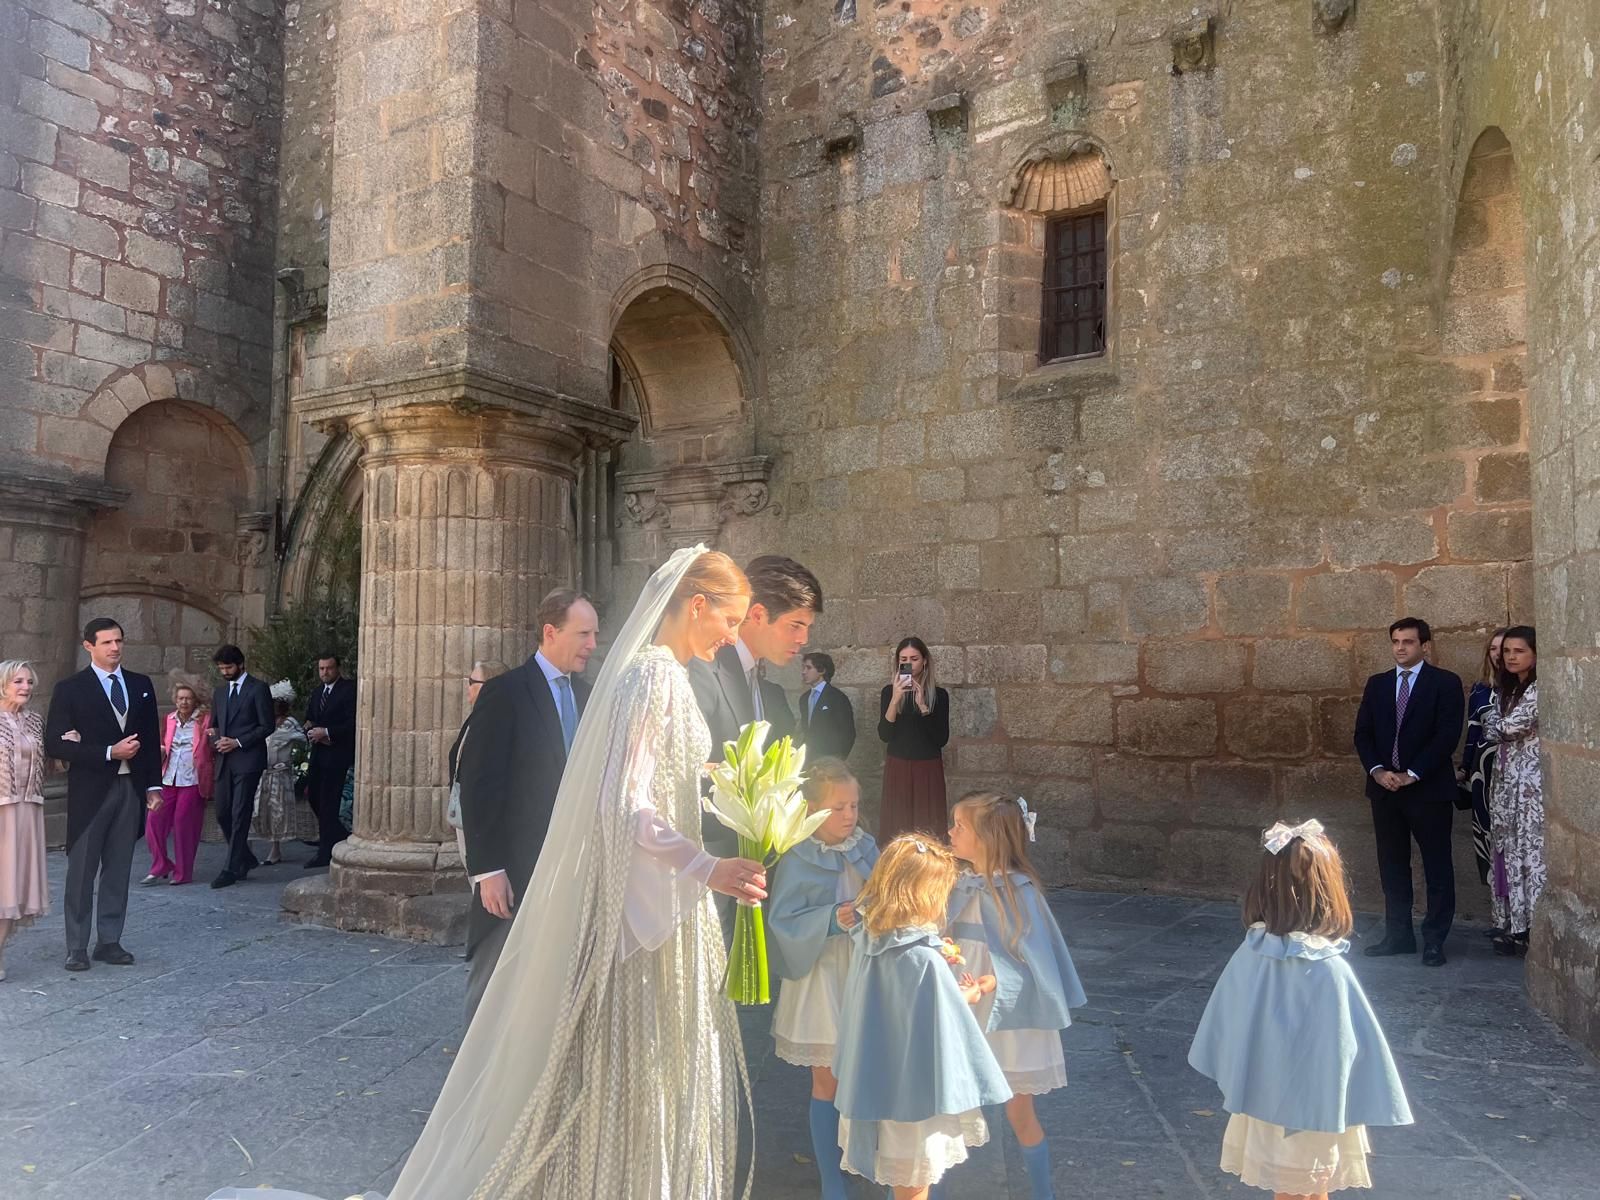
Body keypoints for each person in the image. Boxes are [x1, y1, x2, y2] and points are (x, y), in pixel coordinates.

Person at [1189, 820, 1414, 1198]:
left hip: (1264, 1093)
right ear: (1330, 890)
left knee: (1304, 1188)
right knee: (1302, 1187)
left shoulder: (1253, 952)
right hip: (1317, 1103)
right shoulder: (1326, 967)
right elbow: (1347, 1045)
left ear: (1264, 887)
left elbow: (1230, 1024)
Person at [833, 834, 1012, 1199]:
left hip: (876, 1083)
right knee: (914, 1187)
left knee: (903, 1182)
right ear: (924, 896)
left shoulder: (869, 942)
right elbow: (942, 1020)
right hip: (915, 1095)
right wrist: (968, 994)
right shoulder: (923, 958)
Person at [458, 591, 598, 1025]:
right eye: (584, 633)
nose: (593, 644)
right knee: (494, 986)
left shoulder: (590, 695)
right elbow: (478, 785)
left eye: (595, 633)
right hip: (514, 871)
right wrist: (488, 870)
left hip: (571, 872)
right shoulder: (506, 692)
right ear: (550, 632)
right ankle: (475, 1083)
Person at [946, 791, 1086, 1200]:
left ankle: (1042, 1193)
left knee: (1019, 1109)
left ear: (988, 839)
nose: (950, 832)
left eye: (960, 826)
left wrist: (992, 984)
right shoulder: (955, 885)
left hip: (1011, 1021)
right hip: (961, 1007)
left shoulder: (1022, 894)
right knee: (944, 1106)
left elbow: (1037, 968)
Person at [767, 757, 880, 1200]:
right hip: (819, 975)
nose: (849, 816)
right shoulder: (798, 856)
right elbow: (784, 920)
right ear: (812, 810)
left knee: (866, 1072)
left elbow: (887, 891)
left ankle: (868, 1160)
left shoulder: (865, 847)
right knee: (826, 1080)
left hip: (863, 971)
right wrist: (833, 918)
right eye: (838, 808)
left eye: (853, 805)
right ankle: (831, 1179)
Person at [44, 618, 163, 971]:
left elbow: (151, 740)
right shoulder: (71, 689)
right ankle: (76, 946)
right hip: (90, 791)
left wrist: (153, 786)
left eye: (119, 641)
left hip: (130, 789)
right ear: (88, 646)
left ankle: (109, 941)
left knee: (119, 867)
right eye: (107, 642)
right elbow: (55, 744)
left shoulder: (141, 685)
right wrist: (109, 752)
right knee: (81, 870)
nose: (115, 648)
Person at [1352, 617, 1463, 967]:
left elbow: (1447, 735)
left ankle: (1434, 939)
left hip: (1427, 790)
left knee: (1437, 866)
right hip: (1385, 790)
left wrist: (1413, 774)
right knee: (1392, 865)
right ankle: (1398, 935)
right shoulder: (1378, 684)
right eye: (1396, 641)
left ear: (1425, 645)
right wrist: (1379, 771)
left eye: (1409, 642)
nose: (1401, 648)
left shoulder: (1444, 683)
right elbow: (1363, 733)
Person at [1484, 625, 1541, 958]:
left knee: (1529, 852)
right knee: (1505, 850)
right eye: (1506, 651)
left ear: (1535, 654)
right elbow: (1494, 725)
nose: (1510, 657)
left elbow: (1505, 727)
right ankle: (1511, 923)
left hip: (1529, 787)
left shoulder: (1537, 689)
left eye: (1519, 651)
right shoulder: (1506, 691)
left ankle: (1530, 926)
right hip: (1505, 782)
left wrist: (1497, 725)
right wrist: (1497, 725)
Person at [209, 644, 274, 889]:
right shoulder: (219, 692)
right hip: (224, 760)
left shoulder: (258, 689)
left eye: (229, 667)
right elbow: (213, 726)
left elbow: (267, 725)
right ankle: (245, 857)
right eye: (222, 668)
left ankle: (231, 868)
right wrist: (216, 741)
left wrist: (237, 742)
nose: (225, 672)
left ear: (241, 665)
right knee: (222, 812)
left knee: (240, 813)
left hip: (248, 759)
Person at [0, 661, 50, 982]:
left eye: (30, 681)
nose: (26, 687)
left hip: (28, 809)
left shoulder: (34, 721)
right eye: (18, 681)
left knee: (12, 885)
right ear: (3, 684)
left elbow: (49, 764)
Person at [877, 637, 951, 842]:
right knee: (897, 824)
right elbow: (884, 735)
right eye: (903, 659)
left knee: (927, 824)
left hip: (927, 768)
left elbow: (940, 738)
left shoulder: (939, 695)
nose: (908, 663)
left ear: (925, 661)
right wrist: (895, 700)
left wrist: (923, 707)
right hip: (898, 766)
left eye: (914, 658)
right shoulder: (888, 693)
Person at [143, 681, 213, 886]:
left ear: (195, 701)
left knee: (184, 825)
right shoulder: (169, 719)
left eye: (188, 698)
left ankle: (183, 872)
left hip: (192, 779)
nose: (184, 702)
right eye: (180, 698)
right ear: (175, 699)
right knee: (153, 822)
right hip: (168, 778)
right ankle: (161, 864)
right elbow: (164, 743)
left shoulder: (203, 721)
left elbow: (209, 745)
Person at [446, 659, 508, 874]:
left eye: (472, 681)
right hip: (468, 815)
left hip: (482, 822)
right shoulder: (478, 718)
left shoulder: (496, 723)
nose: (468, 687)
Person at [1458, 628, 1507, 890]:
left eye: (1505, 648)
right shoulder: (1480, 689)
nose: (1499, 654)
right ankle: (1500, 916)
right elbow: (1472, 732)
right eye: (1493, 648)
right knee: (1487, 837)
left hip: (1514, 774)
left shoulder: (1528, 688)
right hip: (1482, 776)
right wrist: (1464, 768)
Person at [303, 653, 356, 868]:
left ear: (338, 668)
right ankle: (338, 836)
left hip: (337, 754)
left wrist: (326, 732)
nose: (325, 673)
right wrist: (309, 728)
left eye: (329, 668)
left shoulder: (348, 689)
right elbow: (311, 716)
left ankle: (326, 851)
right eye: (321, 669)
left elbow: (353, 722)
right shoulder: (317, 692)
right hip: (319, 754)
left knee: (329, 803)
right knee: (314, 797)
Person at [254, 683, 307, 866]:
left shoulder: (289, 724)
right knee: (255, 810)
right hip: (261, 772)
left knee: (277, 811)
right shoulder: (262, 722)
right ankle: (247, 850)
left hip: (279, 773)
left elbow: (303, 739)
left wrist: (294, 759)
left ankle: (275, 850)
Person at [797, 651, 856, 763]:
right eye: (803, 667)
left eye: (808, 668)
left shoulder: (837, 697)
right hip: (809, 758)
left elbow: (848, 732)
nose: (803, 672)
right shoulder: (804, 699)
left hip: (830, 758)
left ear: (822, 670)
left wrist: (839, 758)